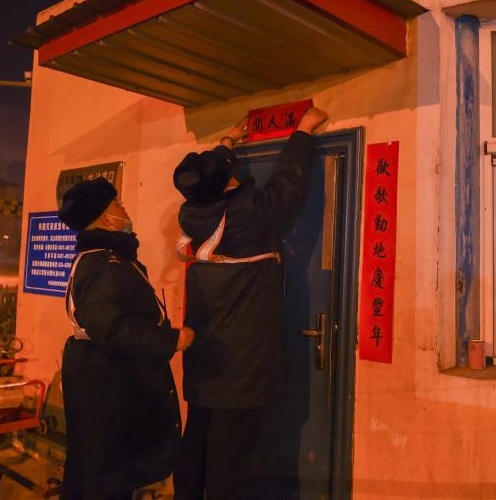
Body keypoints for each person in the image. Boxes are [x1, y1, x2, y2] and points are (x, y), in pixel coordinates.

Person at [171, 107, 328, 499]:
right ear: (227, 184)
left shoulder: (193, 214)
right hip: (239, 374)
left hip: (205, 364)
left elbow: (211, 177)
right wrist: (303, 131)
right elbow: (286, 186)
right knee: (228, 462)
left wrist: (228, 141)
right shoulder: (248, 214)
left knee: (197, 444)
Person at [58, 178, 195, 500]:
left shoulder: (106, 258)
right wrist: (169, 340)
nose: (125, 210)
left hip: (108, 380)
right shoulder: (105, 264)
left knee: (102, 468)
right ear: (105, 219)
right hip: (110, 385)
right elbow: (111, 327)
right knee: (109, 474)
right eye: (117, 205)